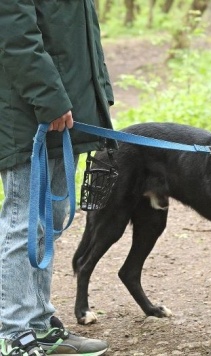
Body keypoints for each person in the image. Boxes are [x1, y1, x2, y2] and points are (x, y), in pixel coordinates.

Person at [0, 1, 117, 355]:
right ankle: (13, 331)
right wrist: (48, 97)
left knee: (50, 218)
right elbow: (15, 34)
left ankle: (38, 323)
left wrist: (100, 95)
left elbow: (82, 34)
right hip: (29, 113)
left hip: (65, 111)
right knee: (25, 222)